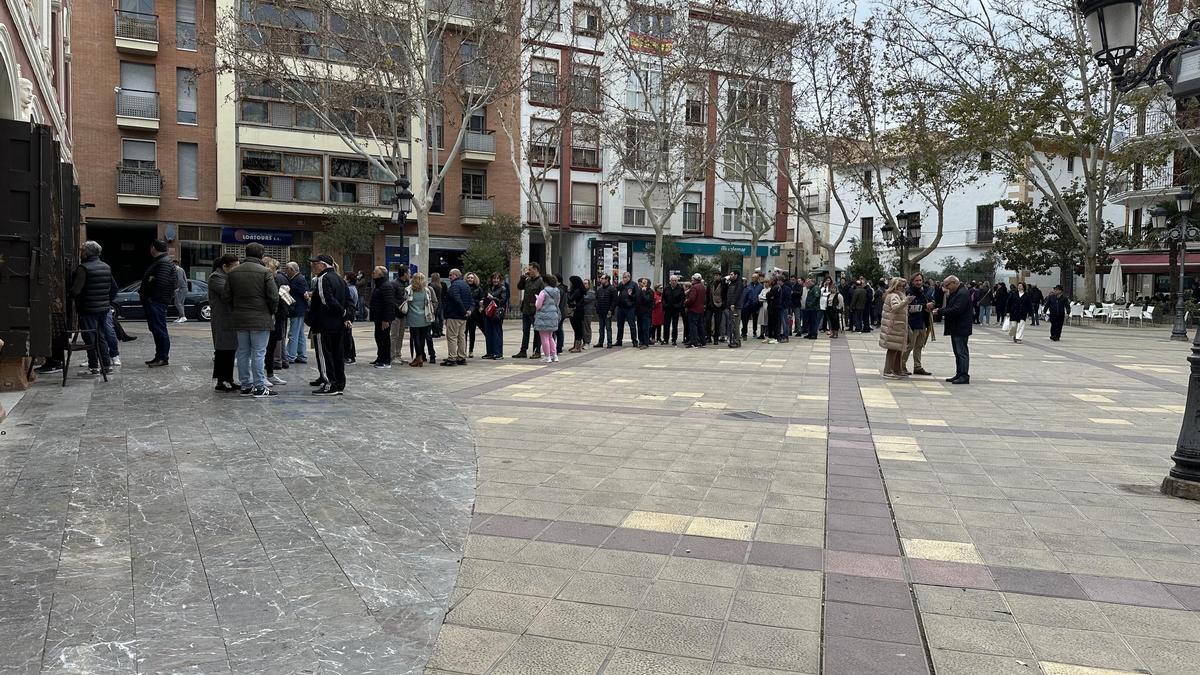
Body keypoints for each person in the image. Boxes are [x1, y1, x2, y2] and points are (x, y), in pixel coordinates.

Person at [222, 243, 280, 398]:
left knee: (243, 352)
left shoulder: (233, 273)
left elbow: (226, 296)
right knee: (259, 353)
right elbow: (274, 297)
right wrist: (271, 312)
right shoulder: (265, 272)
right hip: (260, 318)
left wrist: (236, 309)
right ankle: (259, 386)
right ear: (261, 255)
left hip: (240, 319)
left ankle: (246, 385)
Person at [69, 240, 117, 377]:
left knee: (89, 338)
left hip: (87, 309)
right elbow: (114, 288)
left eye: (81, 251)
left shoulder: (83, 268)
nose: (80, 253)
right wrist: (106, 301)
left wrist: (70, 293)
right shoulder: (106, 267)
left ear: (86, 253)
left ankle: (94, 367)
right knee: (101, 336)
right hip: (103, 309)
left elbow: (76, 291)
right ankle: (106, 365)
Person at [307, 255, 350, 395]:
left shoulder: (323, 278)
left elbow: (327, 300)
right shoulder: (340, 279)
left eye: (315, 264)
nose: (313, 267)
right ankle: (339, 383)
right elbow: (349, 301)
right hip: (338, 324)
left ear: (323, 265)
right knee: (337, 354)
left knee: (325, 355)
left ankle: (329, 384)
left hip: (324, 323)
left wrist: (343, 313)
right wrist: (346, 316)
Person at [140, 239, 175, 367]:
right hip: (155, 301)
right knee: (156, 329)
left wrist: (151, 297)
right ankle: (158, 355)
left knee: (160, 329)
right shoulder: (161, 261)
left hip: (157, 301)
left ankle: (163, 357)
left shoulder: (163, 263)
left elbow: (161, 282)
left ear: (153, 248)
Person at [207, 254, 239, 391]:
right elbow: (227, 293)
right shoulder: (216, 277)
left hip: (232, 318)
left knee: (231, 349)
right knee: (222, 350)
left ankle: (229, 378)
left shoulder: (229, 277)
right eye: (235, 267)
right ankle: (221, 380)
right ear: (225, 266)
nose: (237, 269)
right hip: (222, 318)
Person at [934, 275, 972, 384]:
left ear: (954, 283)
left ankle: (964, 375)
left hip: (961, 327)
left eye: (947, 285)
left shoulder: (962, 293)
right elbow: (951, 307)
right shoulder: (956, 292)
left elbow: (956, 310)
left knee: (962, 352)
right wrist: (941, 310)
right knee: (957, 352)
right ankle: (959, 373)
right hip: (956, 327)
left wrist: (940, 312)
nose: (946, 288)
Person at [902, 272, 934, 377]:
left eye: (920, 280)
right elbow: (909, 307)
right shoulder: (909, 292)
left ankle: (917, 366)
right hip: (913, 322)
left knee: (919, 345)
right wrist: (925, 305)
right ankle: (902, 365)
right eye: (916, 280)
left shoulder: (924, 291)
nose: (919, 282)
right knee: (909, 345)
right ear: (912, 281)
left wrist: (931, 304)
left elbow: (929, 301)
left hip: (923, 322)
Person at [264, 257, 289, 385]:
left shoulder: (276, 279)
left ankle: (270, 374)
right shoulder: (268, 280)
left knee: (270, 347)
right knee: (266, 348)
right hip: (272, 317)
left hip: (277, 316)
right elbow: (277, 300)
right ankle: (267, 375)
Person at [878, 277, 909, 379]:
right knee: (893, 349)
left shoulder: (898, 295)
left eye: (903, 286)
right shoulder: (893, 296)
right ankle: (888, 370)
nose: (901, 288)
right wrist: (906, 302)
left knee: (898, 349)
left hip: (897, 326)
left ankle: (897, 369)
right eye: (899, 286)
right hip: (894, 326)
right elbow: (895, 308)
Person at [441, 268, 472, 366]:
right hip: (463, 317)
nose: (449, 277)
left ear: (456, 275)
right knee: (461, 336)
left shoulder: (455, 286)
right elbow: (471, 300)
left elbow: (456, 299)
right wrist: (469, 311)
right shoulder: (466, 285)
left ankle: (452, 358)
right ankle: (461, 357)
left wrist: (463, 311)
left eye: (451, 275)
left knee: (452, 337)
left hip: (454, 315)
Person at [514, 263, 545, 359]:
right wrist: (522, 278)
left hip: (535, 311)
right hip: (526, 310)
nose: (528, 271)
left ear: (536, 270)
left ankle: (537, 351)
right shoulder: (527, 280)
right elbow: (519, 287)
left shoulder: (540, 282)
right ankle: (523, 351)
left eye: (530, 270)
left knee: (537, 331)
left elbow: (543, 297)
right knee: (525, 331)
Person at [369, 266, 398, 368]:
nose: (373, 273)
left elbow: (389, 304)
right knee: (379, 337)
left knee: (384, 339)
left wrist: (386, 319)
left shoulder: (386, 286)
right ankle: (380, 357)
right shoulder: (379, 285)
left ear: (381, 274)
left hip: (383, 318)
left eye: (375, 272)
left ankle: (385, 360)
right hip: (378, 317)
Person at [405, 272, 436, 367]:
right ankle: (419, 357)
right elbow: (432, 302)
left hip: (413, 317)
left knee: (415, 338)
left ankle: (419, 357)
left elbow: (406, 302)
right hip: (425, 317)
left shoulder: (409, 290)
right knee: (422, 339)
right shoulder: (427, 290)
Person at [284, 262, 309, 365]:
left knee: (293, 334)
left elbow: (304, 293)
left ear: (291, 269)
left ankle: (290, 355)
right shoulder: (299, 278)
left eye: (286, 269)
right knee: (299, 334)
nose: (285, 271)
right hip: (299, 309)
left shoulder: (298, 279)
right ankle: (302, 355)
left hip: (297, 309)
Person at [534, 274, 562, 363]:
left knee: (544, 337)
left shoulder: (543, 292)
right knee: (550, 337)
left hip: (543, 317)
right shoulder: (557, 291)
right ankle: (554, 355)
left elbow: (538, 306)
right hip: (553, 316)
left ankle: (547, 356)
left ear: (546, 282)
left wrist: (537, 299)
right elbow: (557, 303)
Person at [482, 272, 508, 359]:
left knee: (497, 333)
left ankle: (498, 353)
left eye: (497, 278)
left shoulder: (503, 288)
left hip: (497, 313)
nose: (495, 280)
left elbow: (503, 301)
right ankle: (490, 352)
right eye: (494, 278)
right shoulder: (489, 287)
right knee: (488, 332)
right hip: (488, 312)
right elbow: (485, 297)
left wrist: (492, 298)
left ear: (500, 280)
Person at [390, 268, 410, 365]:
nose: (410, 274)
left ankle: (398, 355)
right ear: (405, 274)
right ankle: (392, 356)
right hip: (396, 314)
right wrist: (398, 308)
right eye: (408, 272)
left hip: (403, 314)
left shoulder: (406, 284)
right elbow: (392, 299)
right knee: (394, 335)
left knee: (401, 335)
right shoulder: (394, 284)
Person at [593, 273, 617, 348]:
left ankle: (609, 343)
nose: (601, 280)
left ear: (607, 279)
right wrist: (597, 307)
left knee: (608, 327)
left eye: (603, 278)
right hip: (601, 311)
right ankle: (600, 342)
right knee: (601, 328)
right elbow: (596, 299)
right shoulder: (599, 289)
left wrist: (611, 310)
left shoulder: (612, 289)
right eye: (601, 278)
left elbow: (614, 301)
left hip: (608, 311)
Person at [615, 271, 638, 347]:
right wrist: (622, 284)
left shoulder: (634, 284)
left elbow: (637, 296)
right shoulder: (621, 284)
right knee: (620, 325)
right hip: (621, 307)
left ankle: (634, 341)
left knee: (632, 325)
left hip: (630, 307)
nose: (624, 279)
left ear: (629, 277)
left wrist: (631, 295)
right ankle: (619, 340)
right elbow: (617, 289)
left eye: (625, 277)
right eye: (623, 277)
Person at [723, 271, 745, 348]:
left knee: (736, 324)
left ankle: (737, 341)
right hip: (730, 306)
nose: (730, 276)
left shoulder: (739, 283)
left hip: (736, 306)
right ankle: (732, 340)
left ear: (736, 275)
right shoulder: (731, 283)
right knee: (731, 324)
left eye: (732, 274)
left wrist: (733, 303)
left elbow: (737, 294)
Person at [684, 273, 707, 348]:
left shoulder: (694, 287)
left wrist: (685, 303)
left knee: (693, 326)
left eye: (692, 279)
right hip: (701, 309)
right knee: (700, 326)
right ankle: (703, 342)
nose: (691, 281)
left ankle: (694, 342)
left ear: (695, 279)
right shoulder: (703, 287)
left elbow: (692, 299)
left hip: (693, 309)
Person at [465, 273, 485, 358]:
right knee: (464, 332)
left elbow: (482, 298)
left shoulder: (478, 289)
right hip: (465, 312)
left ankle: (471, 350)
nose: (470, 279)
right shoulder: (464, 287)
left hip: (474, 313)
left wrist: (480, 302)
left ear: (474, 279)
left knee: (472, 332)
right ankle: (463, 349)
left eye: (472, 278)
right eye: (468, 278)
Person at [663, 275, 685, 346]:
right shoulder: (666, 288)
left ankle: (674, 339)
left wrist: (678, 306)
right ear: (670, 281)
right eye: (672, 280)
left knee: (675, 325)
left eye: (675, 280)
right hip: (667, 309)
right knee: (666, 325)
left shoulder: (680, 289)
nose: (674, 282)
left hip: (675, 309)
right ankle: (665, 339)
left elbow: (682, 299)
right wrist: (665, 305)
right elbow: (663, 298)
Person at [342, 272, 359, 364]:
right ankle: (350, 355)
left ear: (348, 280)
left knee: (347, 335)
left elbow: (349, 302)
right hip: (350, 313)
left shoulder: (349, 289)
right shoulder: (353, 288)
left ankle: (349, 355)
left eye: (345, 278)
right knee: (348, 335)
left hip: (349, 314)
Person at [567, 275, 587, 352]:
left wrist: (568, 292)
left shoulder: (578, 290)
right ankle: (575, 345)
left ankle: (578, 347)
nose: (570, 284)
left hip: (577, 311)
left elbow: (570, 298)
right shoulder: (577, 290)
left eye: (571, 282)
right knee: (576, 329)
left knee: (578, 328)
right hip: (577, 310)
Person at [634, 278, 655, 349]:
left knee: (645, 328)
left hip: (646, 313)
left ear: (648, 284)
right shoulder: (639, 290)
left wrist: (643, 292)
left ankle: (646, 343)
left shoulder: (650, 291)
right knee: (639, 328)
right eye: (642, 282)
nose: (642, 284)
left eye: (644, 283)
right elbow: (636, 299)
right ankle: (641, 341)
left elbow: (646, 300)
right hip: (639, 312)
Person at [742, 272, 763, 339]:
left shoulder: (760, 286)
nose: (752, 278)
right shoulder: (748, 286)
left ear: (757, 278)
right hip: (748, 306)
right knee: (745, 319)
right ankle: (744, 332)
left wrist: (759, 303)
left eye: (754, 277)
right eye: (752, 277)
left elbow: (761, 295)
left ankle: (754, 331)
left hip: (756, 305)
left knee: (755, 320)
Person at [707, 272, 726, 344]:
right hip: (710, 305)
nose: (715, 277)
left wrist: (723, 304)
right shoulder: (710, 283)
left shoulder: (723, 284)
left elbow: (725, 295)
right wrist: (707, 303)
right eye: (714, 275)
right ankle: (708, 337)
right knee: (707, 320)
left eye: (717, 275)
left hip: (719, 305)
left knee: (718, 323)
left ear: (720, 276)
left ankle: (716, 339)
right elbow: (707, 294)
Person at [764, 276, 781, 343]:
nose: (769, 282)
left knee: (774, 323)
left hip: (774, 308)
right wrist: (769, 296)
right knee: (770, 323)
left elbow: (769, 295)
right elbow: (769, 296)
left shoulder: (776, 287)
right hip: (772, 307)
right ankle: (770, 337)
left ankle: (775, 338)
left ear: (773, 281)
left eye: (770, 280)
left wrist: (769, 296)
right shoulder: (774, 287)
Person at [429, 272, 446, 337]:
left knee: (435, 317)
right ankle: (440, 331)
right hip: (440, 302)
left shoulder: (431, 285)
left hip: (434, 303)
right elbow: (444, 294)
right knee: (440, 317)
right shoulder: (442, 285)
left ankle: (435, 332)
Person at [582, 279, 596, 347]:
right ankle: (584, 341)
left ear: (589, 284)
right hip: (583, 312)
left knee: (587, 327)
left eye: (585, 283)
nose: (584, 285)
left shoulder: (591, 293)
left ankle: (587, 342)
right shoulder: (583, 292)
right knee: (583, 328)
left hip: (588, 312)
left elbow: (584, 299)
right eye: (583, 283)